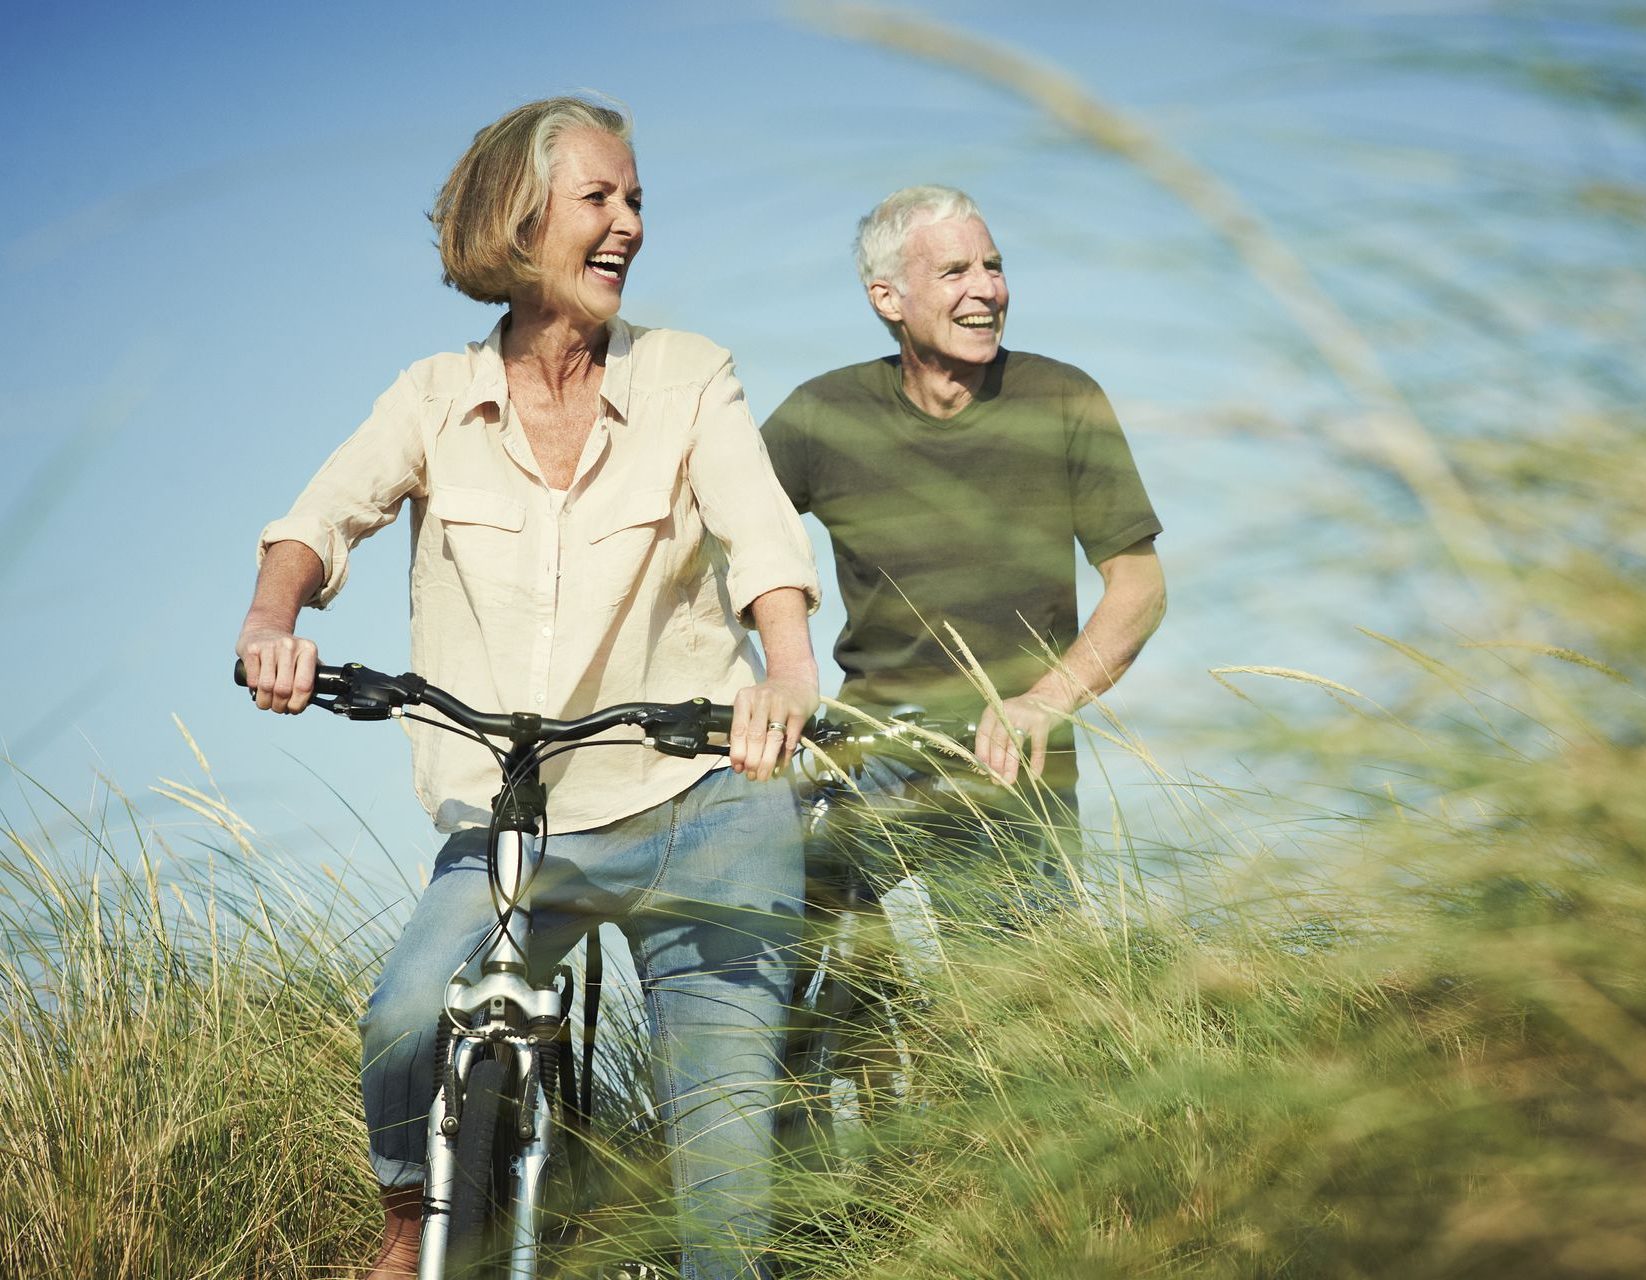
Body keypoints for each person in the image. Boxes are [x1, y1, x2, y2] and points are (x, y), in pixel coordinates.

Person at [236, 97, 818, 1280]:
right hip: (517, 824)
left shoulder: (690, 376)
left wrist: (790, 667)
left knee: (725, 1192)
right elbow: (318, 518)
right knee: (408, 1018)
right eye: (601, 198)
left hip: (704, 802)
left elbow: (762, 538)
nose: (630, 225)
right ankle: (419, 1217)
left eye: (637, 200)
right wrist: (272, 620)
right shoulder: (433, 397)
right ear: (520, 216)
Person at [760, 185, 1165, 896]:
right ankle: (858, 998)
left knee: (1014, 998)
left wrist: (1045, 700)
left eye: (994, 265)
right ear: (888, 299)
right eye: (955, 272)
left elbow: (1141, 588)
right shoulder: (821, 415)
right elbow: (726, 537)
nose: (987, 289)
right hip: (871, 741)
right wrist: (781, 672)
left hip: (1010, 749)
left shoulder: (1064, 399)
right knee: (776, 906)